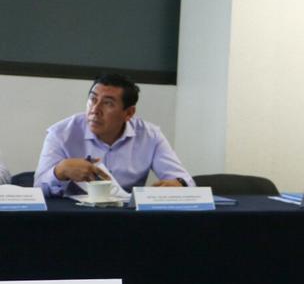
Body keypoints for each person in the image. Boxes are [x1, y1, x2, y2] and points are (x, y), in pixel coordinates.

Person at [34, 73, 193, 197]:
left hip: (128, 218)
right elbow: (37, 189)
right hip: (75, 217)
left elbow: (186, 181)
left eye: (108, 103)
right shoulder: (61, 133)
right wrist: (60, 171)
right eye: (92, 99)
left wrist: (179, 184)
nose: (95, 109)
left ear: (128, 113)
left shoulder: (150, 136)